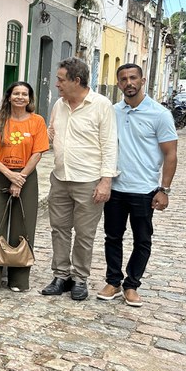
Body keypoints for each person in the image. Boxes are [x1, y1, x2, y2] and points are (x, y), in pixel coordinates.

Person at [98, 64, 177, 307]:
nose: (129, 82)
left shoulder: (160, 114)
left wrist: (164, 189)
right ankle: (113, 281)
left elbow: (170, 154)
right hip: (116, 187)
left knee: (142, 239)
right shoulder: (113, 112)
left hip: (144, 189)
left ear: (142, 80)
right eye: (123, 79)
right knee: (113, 236)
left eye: (133, 78)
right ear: (118, 83)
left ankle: (132, 285)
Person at [42, 57, 117, 301]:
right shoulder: (59, 105)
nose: (57, 84)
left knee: (85, 233)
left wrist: (106, 181)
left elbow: (109, 145)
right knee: (59, 229)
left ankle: (80, 278)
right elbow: (51, 134)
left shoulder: (101, 105)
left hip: (89, 180)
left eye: (61, 80)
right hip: (60, 177)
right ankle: (61, 276)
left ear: (76, 80)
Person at [0, 83, 48, 294]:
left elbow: (38, 152)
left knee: (22, 226)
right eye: (16, 93)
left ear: (29, 98)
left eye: (25, 94)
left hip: (26, 176)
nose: (20, 97)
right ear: (9, 97)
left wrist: (19, 177)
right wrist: (9, 174)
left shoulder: (37, 121)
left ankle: (18, 279)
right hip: (0, 174)